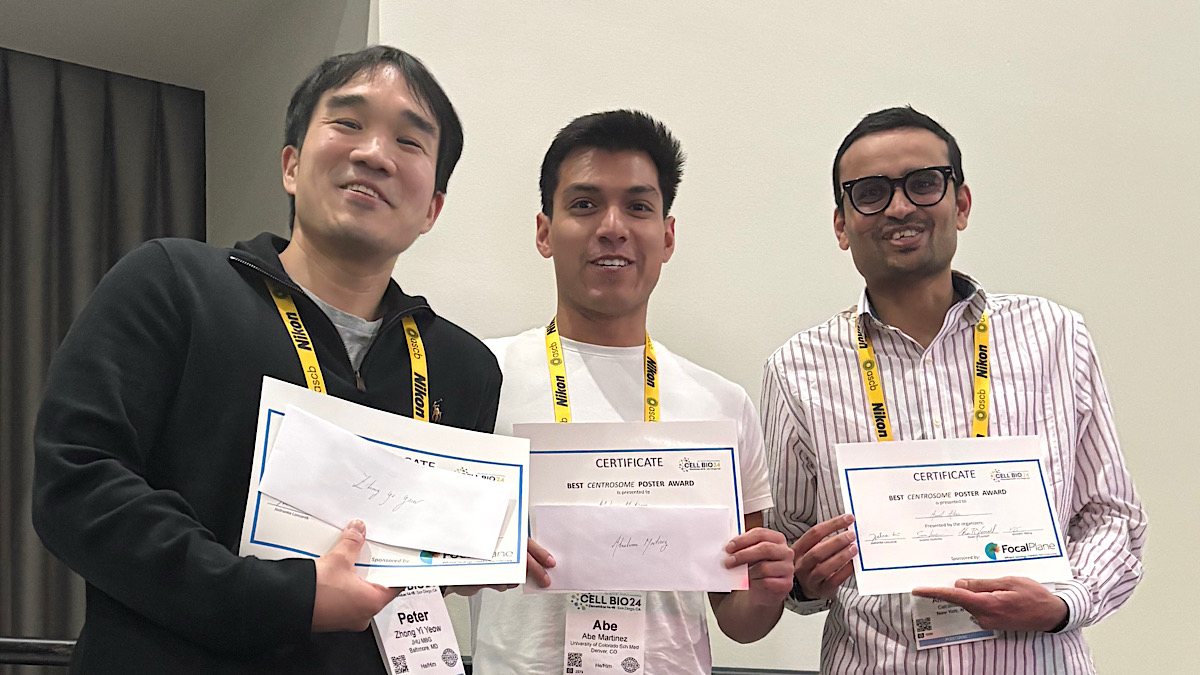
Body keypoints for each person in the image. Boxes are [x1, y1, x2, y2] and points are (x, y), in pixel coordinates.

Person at [31, 46, 501, 673]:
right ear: (291, 165)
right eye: (348, 122)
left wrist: (470, 551)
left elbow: (410, 566)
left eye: (409, 142)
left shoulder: (464, 368)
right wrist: (285, 598)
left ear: (433, 209)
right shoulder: (173, 283)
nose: (374, 154)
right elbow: (78, 484)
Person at [762, 106, 1146, 673]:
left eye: (923, 184)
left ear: (961, 204)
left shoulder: (1056, 336)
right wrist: (802, 579)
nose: (899, 207)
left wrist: (1066, 602)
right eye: (870, 193)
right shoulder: (796, 369)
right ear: (841, 225)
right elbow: (792, 556)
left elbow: (1112, 516)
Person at [467, 110, 794, 675]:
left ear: (667, 237)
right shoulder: (479, 377)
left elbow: (739, 620)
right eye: (584, 204)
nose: (612, 227)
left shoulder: (722, 404)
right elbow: (429, 568)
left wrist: (767, 592)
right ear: (544, 232)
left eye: (638, 207)